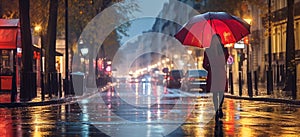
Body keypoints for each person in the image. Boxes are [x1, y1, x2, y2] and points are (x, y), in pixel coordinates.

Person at [203, 34, 229, 121]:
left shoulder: (210, 50)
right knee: (218, 92)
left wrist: (210, 67)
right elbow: (204, 64)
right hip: (217, 73)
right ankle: (218, 108)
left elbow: (204, 64)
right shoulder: (222, 50)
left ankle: (218, 108)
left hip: (216, 73)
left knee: (218, 93)